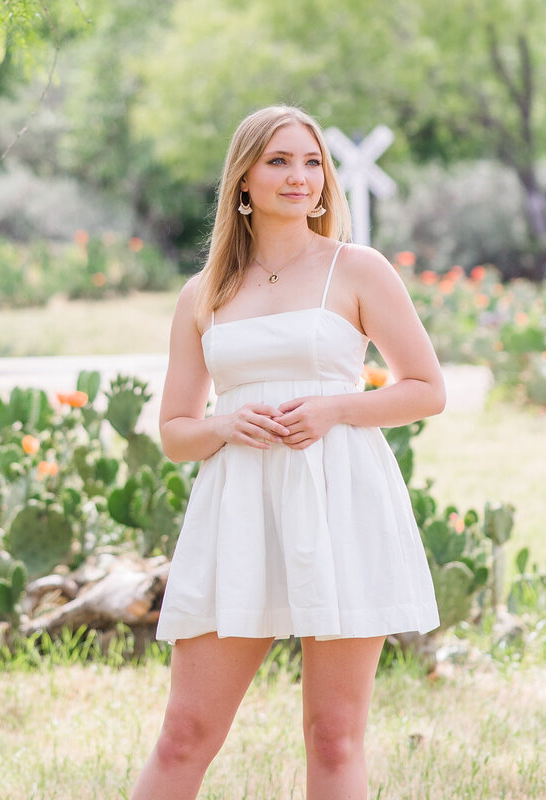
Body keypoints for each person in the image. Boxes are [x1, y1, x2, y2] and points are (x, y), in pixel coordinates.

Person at [131, 105, 445, 800]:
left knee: (334, 739)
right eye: (278, 161)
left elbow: (427, 390)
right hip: (237, 509)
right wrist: (227, 426)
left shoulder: (357, 269)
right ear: (243, 179)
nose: (299, 176)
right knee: (185, 732)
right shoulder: (204, 294)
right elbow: (177, 432)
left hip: (339, 499)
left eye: (311, 162)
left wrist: (334, 408)